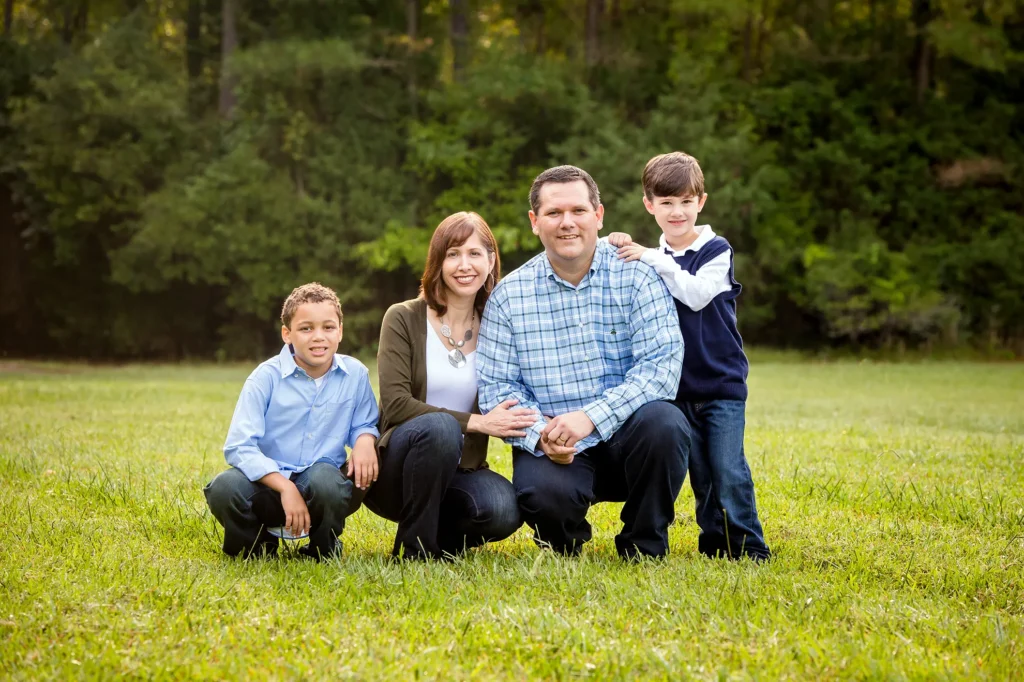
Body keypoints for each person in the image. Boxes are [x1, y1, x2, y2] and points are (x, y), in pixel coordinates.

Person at [477, 165, 691, 560]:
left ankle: (643, 542)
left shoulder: (638, 276)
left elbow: (660, 367)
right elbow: (498, 388)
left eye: (578, 211)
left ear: (599, 215)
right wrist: (541, 434)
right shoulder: (509, 296)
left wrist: (590, 417)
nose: (567, 223)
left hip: (630, 437)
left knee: (667, 424)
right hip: (556, 444)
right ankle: (565, 538)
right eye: (554, 213)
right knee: (544, 497)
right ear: (534, 222)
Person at [607, 151, 771, 562]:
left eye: (685, 201)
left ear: (701, 201)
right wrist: (619, 243)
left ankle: (750, 547)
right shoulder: (650, 257)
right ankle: (716, 544)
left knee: (727, 469)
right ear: (650, 206)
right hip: (676, 386)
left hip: (720, 383)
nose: (677, 211)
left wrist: (652, 257)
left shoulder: (716, 250)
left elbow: (696, 295)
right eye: (666, 203)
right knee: (701, 474)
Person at [365, 212, 534, 560]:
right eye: (453, 253)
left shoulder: (497, 326)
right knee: (441, 428)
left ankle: (438, 533)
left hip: (461, 470)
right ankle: (417, 550)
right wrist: (477, 422)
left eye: (474, 253)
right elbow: (396, 404)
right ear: (438, 261)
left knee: (503, 509)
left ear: (491, 261)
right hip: (398, 472)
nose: (464, 264)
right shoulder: (403, 317)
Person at [203, 283, 380, 560]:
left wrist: (365, 439)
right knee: (224, 488)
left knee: (327, 481)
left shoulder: (355, 374)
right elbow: (239, 446)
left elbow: (364, 422)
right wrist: (285, 487)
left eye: (328, 327)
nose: (318, 337)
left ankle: (323, 550)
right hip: (268, 485)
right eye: (306, 328)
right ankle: (256, 548)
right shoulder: (265, 377)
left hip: (322, 486)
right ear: (287, 334)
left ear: (341, 331)